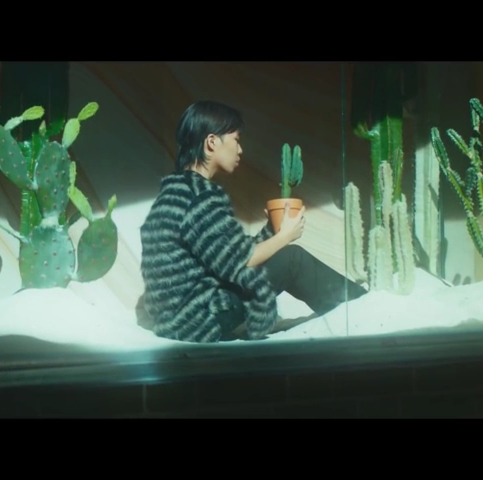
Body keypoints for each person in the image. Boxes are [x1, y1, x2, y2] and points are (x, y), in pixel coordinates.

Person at [139, 100, 366, 343]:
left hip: (176, 321)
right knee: (293, 258)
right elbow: (239, 262)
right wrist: (284, 237)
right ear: (212, 142)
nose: (240, 150)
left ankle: (358, 305)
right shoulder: (201, 195)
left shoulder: (177, 190)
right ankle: (363, 309)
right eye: (236, 140)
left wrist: (270, 231)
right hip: (202, 319)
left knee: (283, 256)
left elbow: (223, 255)